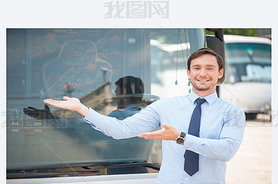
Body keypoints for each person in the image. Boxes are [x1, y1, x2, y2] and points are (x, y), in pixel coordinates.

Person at [43, 47, 245, 184]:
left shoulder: (232, 112)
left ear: (220, 73)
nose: (203, 73)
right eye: (197, 68)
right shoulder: (165, 106)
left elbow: (226, 150)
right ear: (188, 73)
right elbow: (121, 130)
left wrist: (181, 138)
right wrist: (82, 109)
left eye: (210, 68)